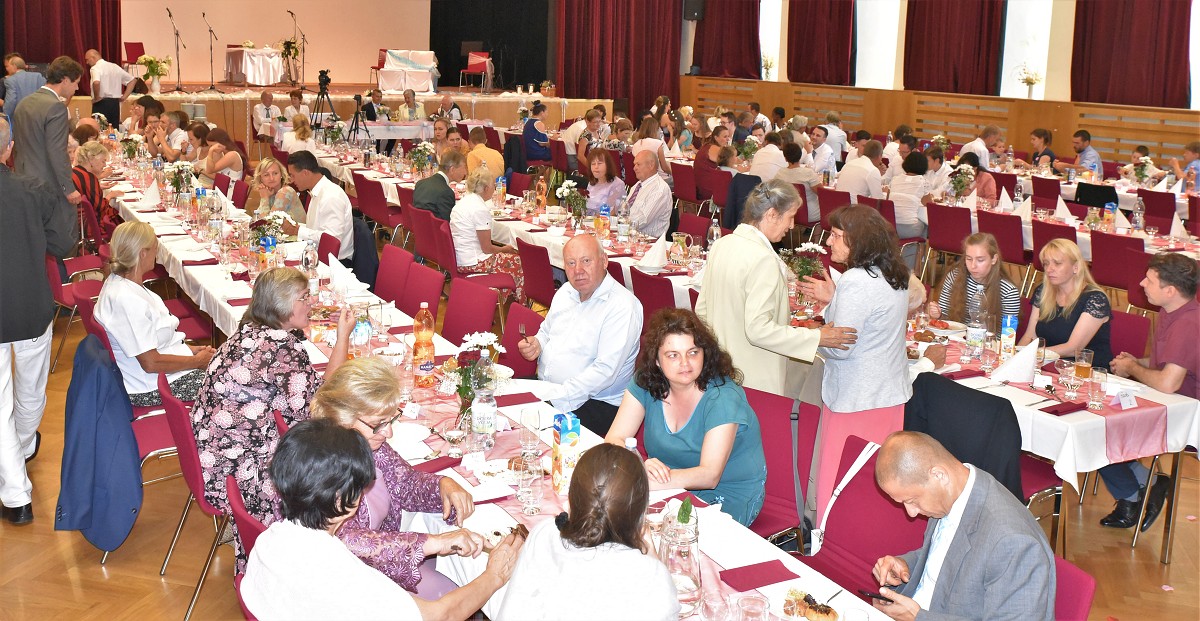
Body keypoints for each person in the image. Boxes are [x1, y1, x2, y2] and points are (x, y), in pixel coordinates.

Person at [241, 418, 524, 620]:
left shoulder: (268, 541)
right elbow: (441, 615)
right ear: (342, 501)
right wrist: (494, 576)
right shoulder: (340, 573)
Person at [191, 267, 352, 565]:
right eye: (304, 297)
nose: (311, 302)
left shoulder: (250, 330)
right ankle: (325, 556)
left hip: (212, 453)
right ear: (282, 305)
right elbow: (319, 407)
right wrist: (343, 338)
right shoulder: (281, 348)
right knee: (330, 464)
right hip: (236, 471)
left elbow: (301, 396)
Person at [309, 359, 486, 595]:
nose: (388, 432)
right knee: (465, 591)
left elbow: (405, 483)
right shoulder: (318, 464)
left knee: (464, 576)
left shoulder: (367, 445)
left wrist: (443, 484)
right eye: (378, 424)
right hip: (344, 583)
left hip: (382, 563)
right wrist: (433, 542)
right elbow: (343, 540)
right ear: (342, 417)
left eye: (391, 420)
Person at [606, 309, 768, 525]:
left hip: (725, 495)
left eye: (693, 352)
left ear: (704, 353)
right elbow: (614, 439)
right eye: (672, 355)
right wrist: (638, 465)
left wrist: (639, 480)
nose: (685, 363)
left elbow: (709, 476)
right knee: (611, 520)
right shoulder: (646, 382)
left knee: (642, 531)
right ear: (656, 360)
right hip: (667, 486)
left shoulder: (723, 398)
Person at [870, 431, 1055, 621]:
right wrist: (906, 565)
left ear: (939, 475)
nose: (911, 512)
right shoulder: (953, 495)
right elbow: (950, 555)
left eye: (911, 500)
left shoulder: (1013, 543)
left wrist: (918, 618)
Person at [697, 181, 856, 396]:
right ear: (772, 214)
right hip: (752, 373)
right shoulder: (763, 259)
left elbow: (702, 310)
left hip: (720, 366)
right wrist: (816, 337)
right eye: (790, 217)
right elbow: (758, 330)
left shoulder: (722, 244)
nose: (792, 226)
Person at [806, 205, 911, 517]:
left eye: (836, 236)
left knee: (841, 482)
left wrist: (812, 337)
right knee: (876, 483)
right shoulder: (894, 273)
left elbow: (841, 347)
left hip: (856, 399)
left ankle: (826, 536)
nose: (829, 242)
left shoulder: (856, 279)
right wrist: (834, 299)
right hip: (888, 396)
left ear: (858, 240)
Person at [497, 443, 679, 620]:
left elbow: (514, 609)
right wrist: (652, 555)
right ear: (641, 514)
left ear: (571, 500)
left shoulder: (544, 533)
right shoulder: (649, 575)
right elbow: (665, 605)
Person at [0, 117, 75, 525]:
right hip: (31, 304)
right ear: (9, 149)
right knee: (30, 392)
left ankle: (17, 493)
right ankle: (21, 456)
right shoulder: (32, 189)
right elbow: (62, 243)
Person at [1100, 254, 1198, 531]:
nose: (1142, 283)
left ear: (1171, 290)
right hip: (1166, 401)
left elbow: (1168, 383)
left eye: (1150, 280)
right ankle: (1147, 481)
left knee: (1098, 427)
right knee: (1095, 415)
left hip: (1186, 414)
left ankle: (1132, 494)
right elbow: (1166, 365)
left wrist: (1132, 367)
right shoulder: (1170, 311)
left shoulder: (1189, 323)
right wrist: (1136, 362)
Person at [517, 234, 643, 435]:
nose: (578, 271)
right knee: (495, 399)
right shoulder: (566, 291)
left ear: (604, 261)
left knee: (521, 432)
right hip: (549, 389)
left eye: (586, 261)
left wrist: (552, 400)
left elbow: (604, 372)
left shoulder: (623, 306)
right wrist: (537, 343)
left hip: (594, 405)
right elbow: (546, 331)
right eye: (571, 263)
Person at [93, 222, 215, 406]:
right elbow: (151, 363)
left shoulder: (121, 282)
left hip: (158, 376)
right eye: (155, 248)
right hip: (151, 386)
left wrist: (190, 351)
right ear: (142, 253)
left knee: (231, 370)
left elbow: (152, 342)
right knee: (232, 386)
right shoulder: (126, 299)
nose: (156, 254)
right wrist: (196, 362)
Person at [1017, 239, 1112, 367]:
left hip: (1085, 369)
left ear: (1075, 267)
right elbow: (1030, 336)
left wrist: (1030, 354)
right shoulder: (1043, 291)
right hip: (1048, 364)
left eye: (1057, 263)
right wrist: (1014, 359)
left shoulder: (1095, 299)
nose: (1049, 269)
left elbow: (1073, 348)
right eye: (1046, 264)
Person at [13, 55, 82, 207]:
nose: (77, 88)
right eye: (76, 83)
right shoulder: (56, 107)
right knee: (65, 220)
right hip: (47, 185)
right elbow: (57, 151)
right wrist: (68, 188)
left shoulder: (24, 103)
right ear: (65, 80)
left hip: (22, 179)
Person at [450, 167, 526, 303]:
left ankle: (501, 299)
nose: (494, 189)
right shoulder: (479, 209)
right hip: (473, 262)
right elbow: (487, 248)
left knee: (509, 258)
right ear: (486, 188)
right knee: (519, 261)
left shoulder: (463, 202)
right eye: (493, 186)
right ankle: (519, 304)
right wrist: (504, 249)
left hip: (459, 257)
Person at [928, 233, 1021, 331]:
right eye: (969, 259)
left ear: (993, 259)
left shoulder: (1008, 292)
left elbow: (1007, 334)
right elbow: (946, 321)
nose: (973, 266)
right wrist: (938, 315)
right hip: (956, 336)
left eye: (980, 260)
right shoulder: (954, 277)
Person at [282, 151, 354, 262]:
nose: (291, 180)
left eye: (293, 175)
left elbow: (332, 239)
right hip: (317, 253)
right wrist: (295, 227)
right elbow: (316, 228)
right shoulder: (317, 191)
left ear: (305, 173)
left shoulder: (331, 196)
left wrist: (298, 230)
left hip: (334, 262)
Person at [72, 142, 124, 237]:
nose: (104, 165)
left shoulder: (76, 171)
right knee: (123, 220)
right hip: (90, 226)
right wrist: (110, 195)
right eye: (103, 161)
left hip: (75, 222)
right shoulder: (89, 178)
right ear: (92, 159)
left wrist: (98, 187)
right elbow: (101, 207)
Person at [626, 150, 673, 238]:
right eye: (634, 164)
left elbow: (642, 220)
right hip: (631, 234)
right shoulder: (638, 185)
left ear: (651, 165)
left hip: (649, 241)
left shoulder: (659, 189)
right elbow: (625, 210)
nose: (634, 168)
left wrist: (620, 223)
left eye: (638, 164)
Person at [83, 49, 136, 128]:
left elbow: (96, 82)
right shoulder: (115, 67)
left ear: (93, 57)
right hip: (115, 103)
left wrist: (97, 97)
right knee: (114, 129)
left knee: (98, 128)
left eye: (87, 60)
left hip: (101, 102)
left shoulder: (95, 68)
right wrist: (124, 97)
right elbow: (132, 80)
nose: (87, 62)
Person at [412, 149, 467, 222]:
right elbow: (449, 223)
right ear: (452, 169)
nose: (465, 172)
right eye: (464, 167)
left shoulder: (420, 183)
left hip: (419, 227)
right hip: (435, 228)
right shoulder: (446, 192)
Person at [244, 156, 305, 221]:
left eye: (275, 173)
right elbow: (258, 219)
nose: (271, 178)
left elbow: (267, 223)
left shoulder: (285, 192)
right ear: (261, 178)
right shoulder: (269, 191)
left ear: (281, 174)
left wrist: (264, 198)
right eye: (266, 175)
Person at [775, 142, 823, 224]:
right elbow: (821, 193)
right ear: (800, 156)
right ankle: (816, 233)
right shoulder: (808, 173)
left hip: (787, 212)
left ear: (785, 158)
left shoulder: (780, 174)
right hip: (811, 214)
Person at [1, 53, 46, 121]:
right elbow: (46, 93)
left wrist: (5, 117)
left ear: (14, 66)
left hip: (19, 120)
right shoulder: (38, 76)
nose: (7, 69)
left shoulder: (10, 80)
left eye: (8, 66)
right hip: (38, 117)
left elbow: (11, 102)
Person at [585, 149, 626, 215]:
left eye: (599, 163)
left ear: (608, 165)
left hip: (604, 220)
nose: (596, 167)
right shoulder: (592, 182)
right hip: (588, 219)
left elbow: (611, 213)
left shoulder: (617, 184)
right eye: (593, 164)